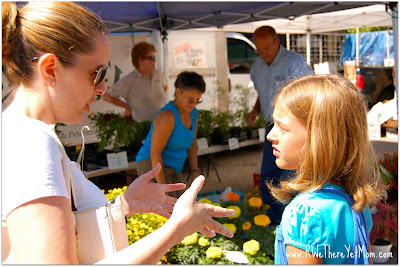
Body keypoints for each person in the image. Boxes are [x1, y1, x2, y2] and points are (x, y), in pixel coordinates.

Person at [1, 2, 235, 264]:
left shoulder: (24, 132)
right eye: (97, 73)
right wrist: (176, 229)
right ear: (50, 70)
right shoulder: (31, 144)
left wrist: (122, 206)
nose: (102, 88)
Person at [266, 75, 384, 264]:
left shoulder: (304, 214)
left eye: (283, 127)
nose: (271, 135)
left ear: (319, 139)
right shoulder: (355, 201)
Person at [246, 25, 314, 225]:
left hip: (295, 130)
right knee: (269, 175)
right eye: (259, 50)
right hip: (271, 127)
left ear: (277, 42)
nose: (263, 53)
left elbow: (310, 98)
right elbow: (262, 94)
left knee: (291, 177)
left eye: (267, 48)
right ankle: (271, 221)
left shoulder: (295, 63)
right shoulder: (257, 67)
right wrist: (255, 110)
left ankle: (293, 223)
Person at [135, 71, 205, 197]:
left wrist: (195, 171)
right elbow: (155, 152)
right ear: (178, 92)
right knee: (166, 210)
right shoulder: (167, 116)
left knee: (181, 207)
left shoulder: (194, 113)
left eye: (197, 101)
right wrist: (162, 186)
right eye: (190, 100)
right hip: (151, 166)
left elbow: (192, 144)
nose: (194, 104)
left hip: (174, 167)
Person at [102, 41, 167, 122]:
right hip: (142, 130)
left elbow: (165, 87)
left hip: (163, 125)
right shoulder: (130, 80)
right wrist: (127, 107)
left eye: (154, 57)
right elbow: (107, 96)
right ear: (141, 61)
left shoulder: (159, 75)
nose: (155, 61)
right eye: (151, 58)